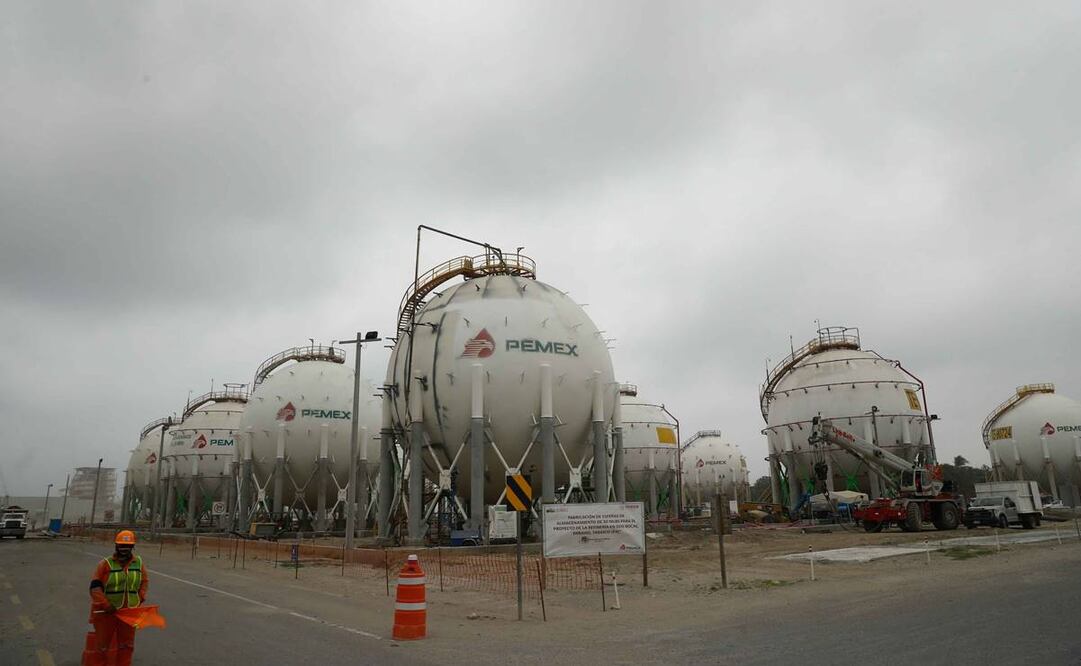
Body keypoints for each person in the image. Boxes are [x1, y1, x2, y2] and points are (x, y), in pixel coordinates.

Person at [86, 530, 148, 666]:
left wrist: (140, 598)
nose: (124, 549)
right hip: (107, 613)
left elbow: (144, 582)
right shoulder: (105, 564)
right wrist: (106, 604)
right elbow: (95, 587)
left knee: (126, 646)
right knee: (102, 646)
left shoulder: (138, 564)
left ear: (132, 547)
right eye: (121, 546)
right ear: (116, 546)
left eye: (128, 546)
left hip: (128, 613)